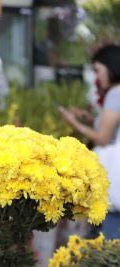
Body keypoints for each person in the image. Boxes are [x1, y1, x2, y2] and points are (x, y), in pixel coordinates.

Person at [60, 44, 120, 239]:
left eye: (98, 70)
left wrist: (74, 123)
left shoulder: (115, 93)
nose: (97, 76)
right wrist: (89, 118)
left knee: (109, 239)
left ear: (111, 67)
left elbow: (103, 137)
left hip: (114, 181)